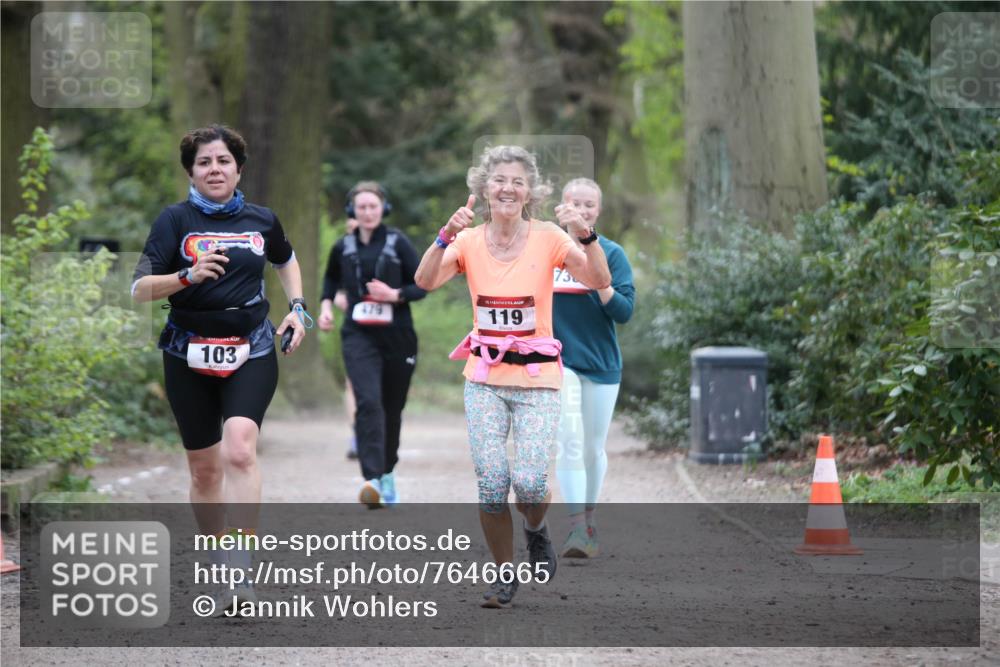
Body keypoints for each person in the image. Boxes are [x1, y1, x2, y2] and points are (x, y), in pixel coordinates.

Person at [414, 145, 611, 608]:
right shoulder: (468, 240)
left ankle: (536, 528)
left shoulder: (549, 237)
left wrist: (586, 236)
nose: (507, 188)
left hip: (538, 380)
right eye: (499, 179)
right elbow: (424, 281)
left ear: (530, 191)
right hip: (484, 378)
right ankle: (504, 573)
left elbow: (599, 279)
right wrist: (443, 236)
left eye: (518, 181)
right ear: (484, 187)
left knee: (528, 482)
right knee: (490, 483)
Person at [131, 124, 308, 613]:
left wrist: (298, 308)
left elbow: (286, 259)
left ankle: (240, 567)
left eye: (223, 161)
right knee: (205, 470)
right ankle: (217, 559)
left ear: (238, 169)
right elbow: (139, 288)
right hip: (187, 352)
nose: (215, 169)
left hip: (251, 347)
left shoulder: (262, 220)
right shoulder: (174, 220)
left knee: (240, 449)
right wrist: (186, 276)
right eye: (204, 162)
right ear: (191, 171)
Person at [318, 182, 427, 508]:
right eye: (361, 207)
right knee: (368, 402)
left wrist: (395, 294)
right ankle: (372, 479)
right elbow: (330, 280)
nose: (367, 212)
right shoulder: (343, 246)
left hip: (398, 336)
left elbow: (422, 284)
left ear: (383, 209)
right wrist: (326, 307)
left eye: (372, 206)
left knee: (392, 408)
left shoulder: (398, 242)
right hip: (358, 336)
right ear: (352, 211)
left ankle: (388, 472)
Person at [552, 178, 635, 559]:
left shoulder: (612, 254)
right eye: (575, 203)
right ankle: (576, 529)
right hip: (558, 360)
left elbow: (624, 312)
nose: (582, 210)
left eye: (589, 205)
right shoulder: (548, 250)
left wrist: (599, 281)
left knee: (591, 448)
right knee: (569, 438)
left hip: (601, 363)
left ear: (598, 211)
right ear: (561, 207)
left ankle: (589, 519)